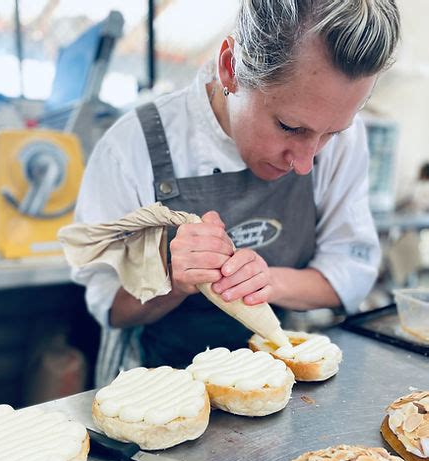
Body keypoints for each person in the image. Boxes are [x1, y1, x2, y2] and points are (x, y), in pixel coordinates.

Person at [73, 0, 401, 382]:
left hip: (281, 376)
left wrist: (268, 281)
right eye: (290, 127)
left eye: (331, 133)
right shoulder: (131, 147)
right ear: (231, 68)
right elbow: (109, 305)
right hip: (155, 384)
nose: (305, 162)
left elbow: (350, 268)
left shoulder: (345, 136)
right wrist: (170, 281)